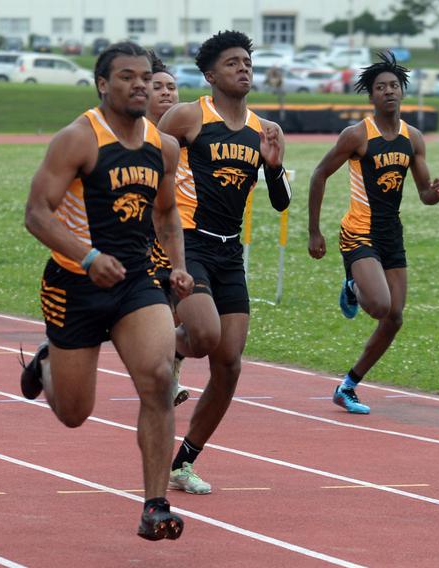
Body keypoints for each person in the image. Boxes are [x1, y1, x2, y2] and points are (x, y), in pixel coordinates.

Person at [19, 42, 193, 540]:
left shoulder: (163, 145)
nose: (139, 85)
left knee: (159, 379)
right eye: (126, 77)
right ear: (103, 84)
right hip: (75, 285)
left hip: (136, 282)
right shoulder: (77, 139)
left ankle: (154, 506)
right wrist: (88, 257)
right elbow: (36, 214)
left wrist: (177, 268)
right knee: (75, 414)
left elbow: (164, 213)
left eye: (146, 76)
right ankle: (47, 363)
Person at [156, 31, 291, 495]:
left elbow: (280, 202)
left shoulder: (266, 130)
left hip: (229, 251)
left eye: (247, 62)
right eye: (232, 63)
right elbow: (143, 158)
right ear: (211, 75)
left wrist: (273, 167)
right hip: (189, 243)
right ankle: (171, 344)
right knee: (206, 336)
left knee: (229, 364)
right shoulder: (188, 116)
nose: (244, 69)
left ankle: (183, 462)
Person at [307, 51, 439, 415]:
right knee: (379, 305)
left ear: (402, 91)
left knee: (395, 318)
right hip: (358, 232)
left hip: (391, 235)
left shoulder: (413, 138)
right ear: (371, 97)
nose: (389, 92)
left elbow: (423, 194)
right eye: (381, 87)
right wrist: (314, 232)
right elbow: (319, 174)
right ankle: (353, 285)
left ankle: (348, 386)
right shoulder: (357, 136)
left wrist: (436, 193)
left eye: (394, 86)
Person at [147, 51, 191, 407]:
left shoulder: (188, 131)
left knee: (179, 310)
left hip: (182, 233)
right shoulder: (135, 134)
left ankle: (168, 377)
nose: (167, 93)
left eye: (172, 87)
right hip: (140, 235)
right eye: (158, 87)